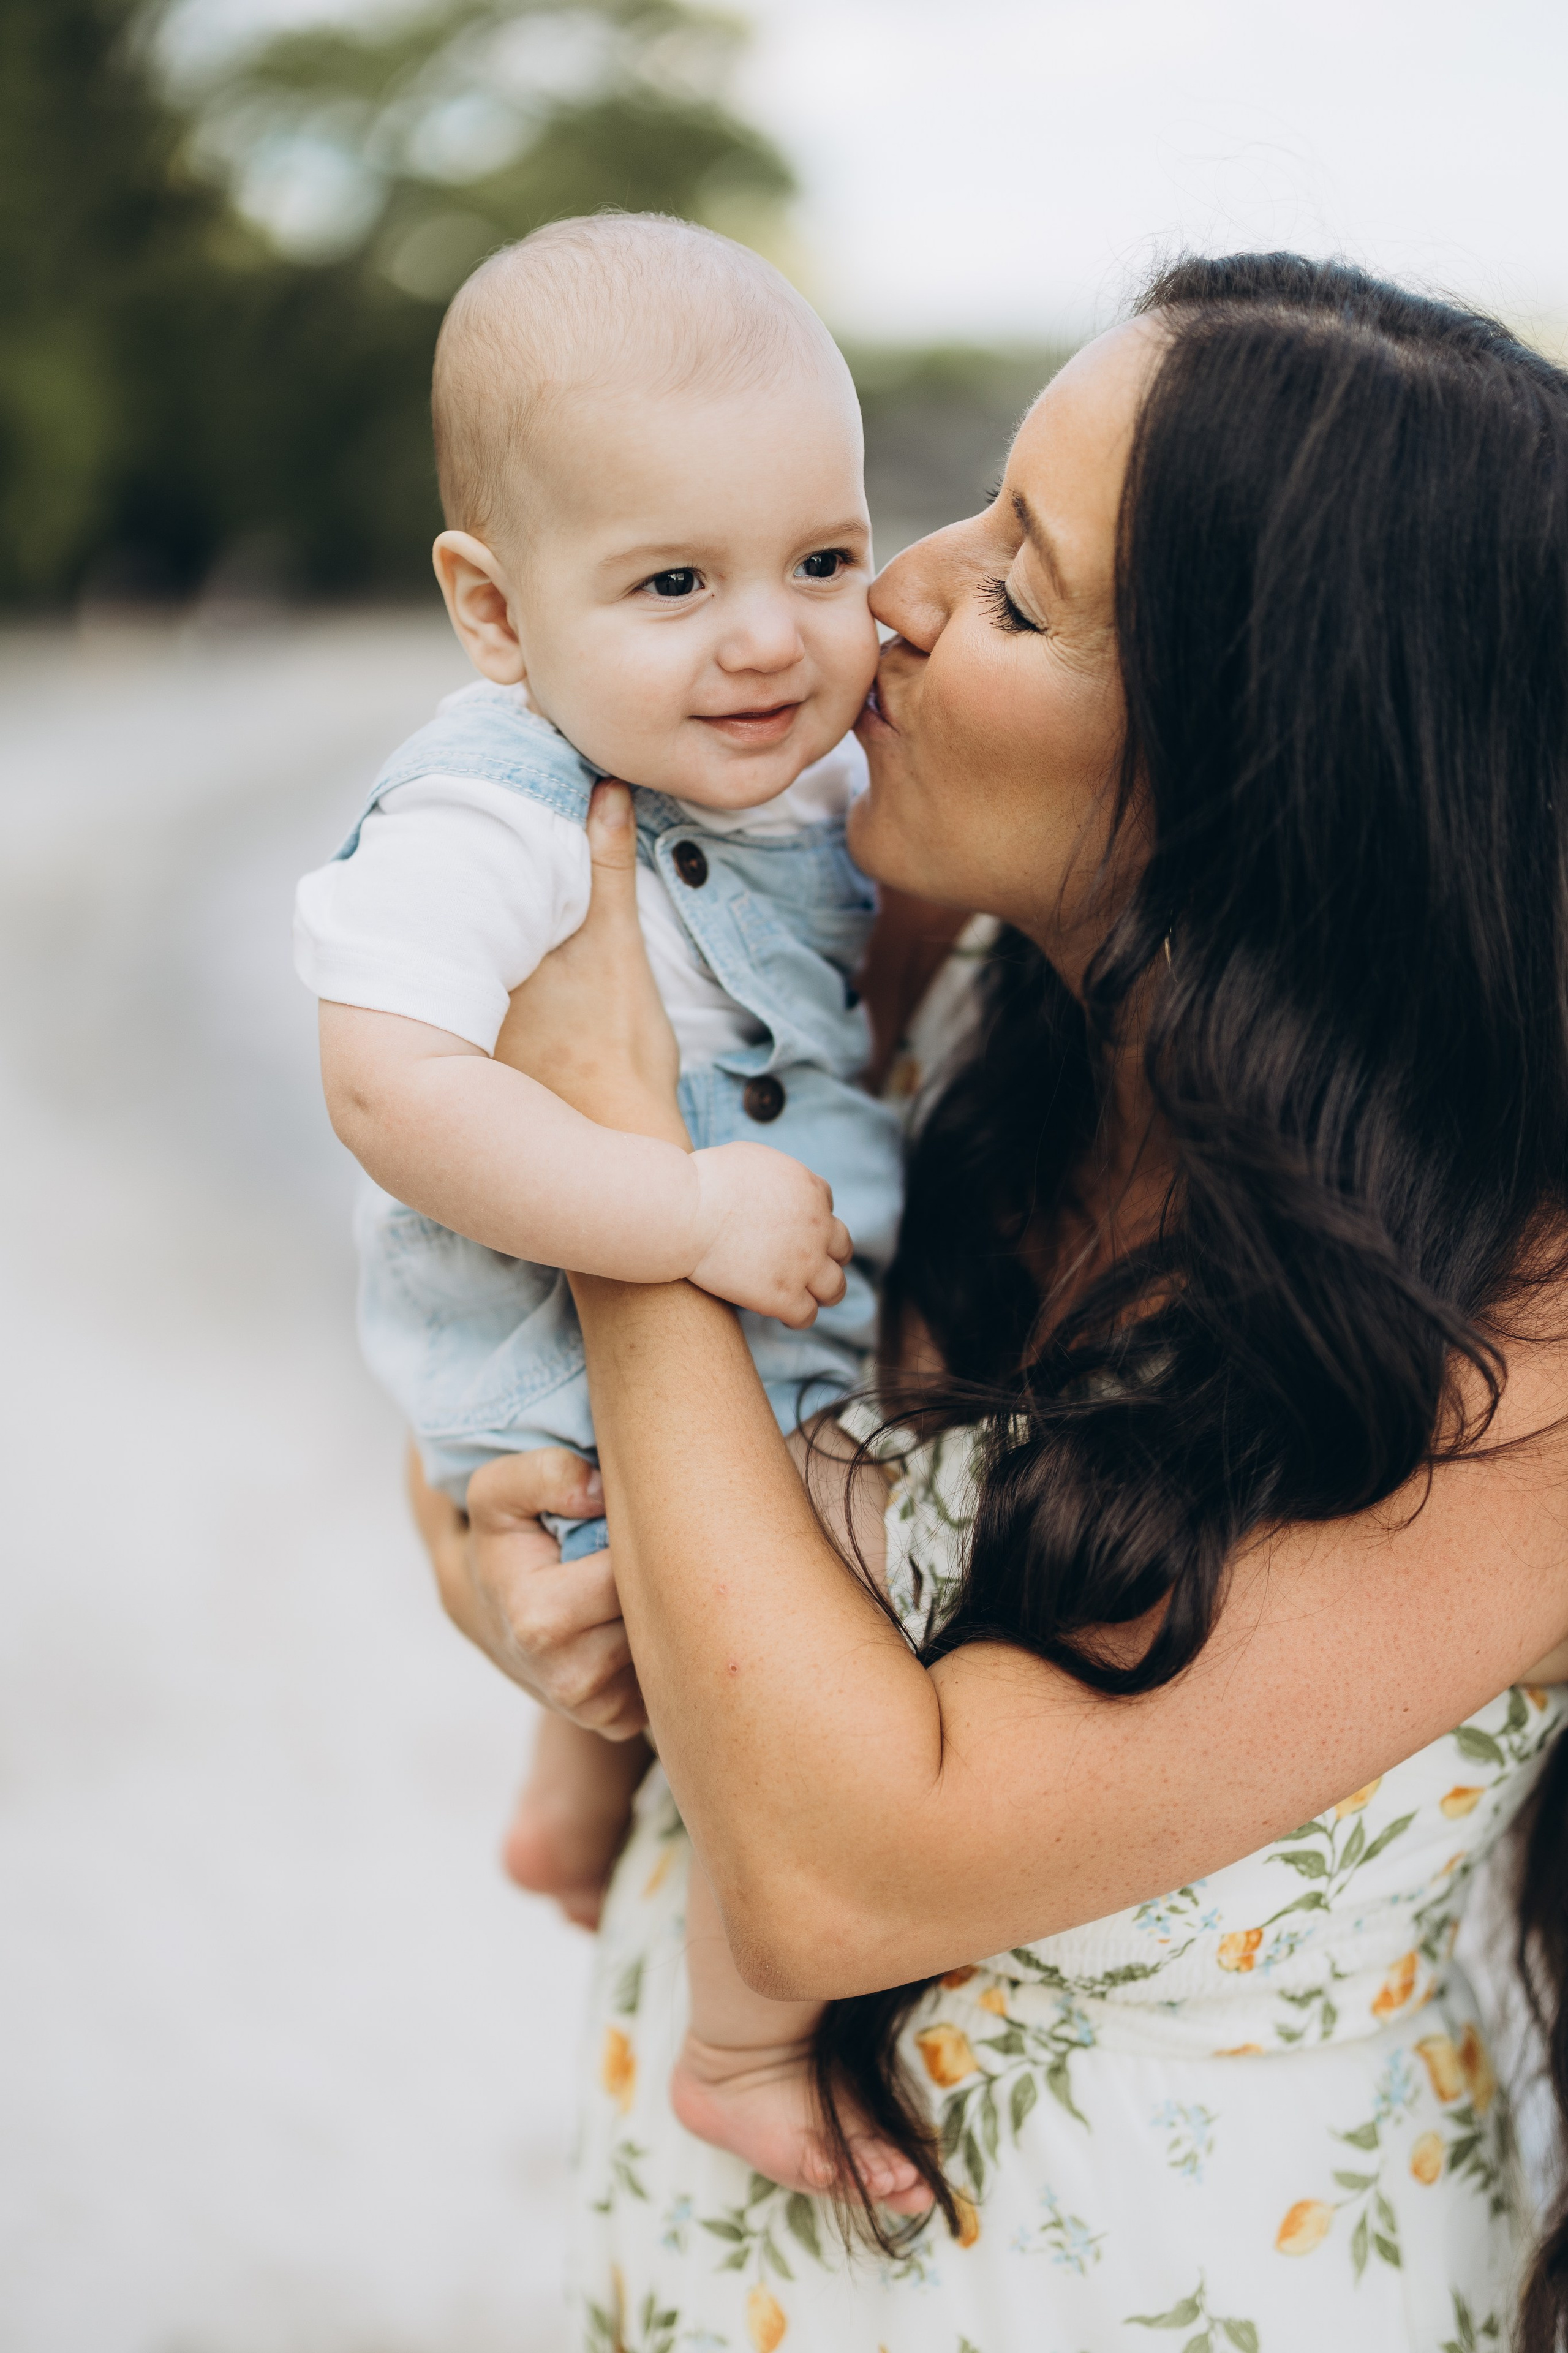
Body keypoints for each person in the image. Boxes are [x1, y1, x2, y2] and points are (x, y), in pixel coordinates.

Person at [413, 255, 1568, 2351]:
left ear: (1271, 767)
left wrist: (632, 1170)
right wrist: (505, 1587)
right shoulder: (920, 957)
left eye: (1020, 592)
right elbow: (467, 1345)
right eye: (962, 512)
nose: (903, 596)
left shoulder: (1536, 1324)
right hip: (717, 2255)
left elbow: (851, 1869)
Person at [293, 213, 932, 2199]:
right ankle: (742, 2045)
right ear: (495, 612)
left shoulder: (793, 776)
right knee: (774, 1636)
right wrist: (666, 1215)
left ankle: (568, 1813)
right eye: (674, 581)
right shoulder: (492, 806)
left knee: (667, 1653)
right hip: (579, 1356)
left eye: (822, 561)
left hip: (749, 1320)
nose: (770, 636)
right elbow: (387, 1083)